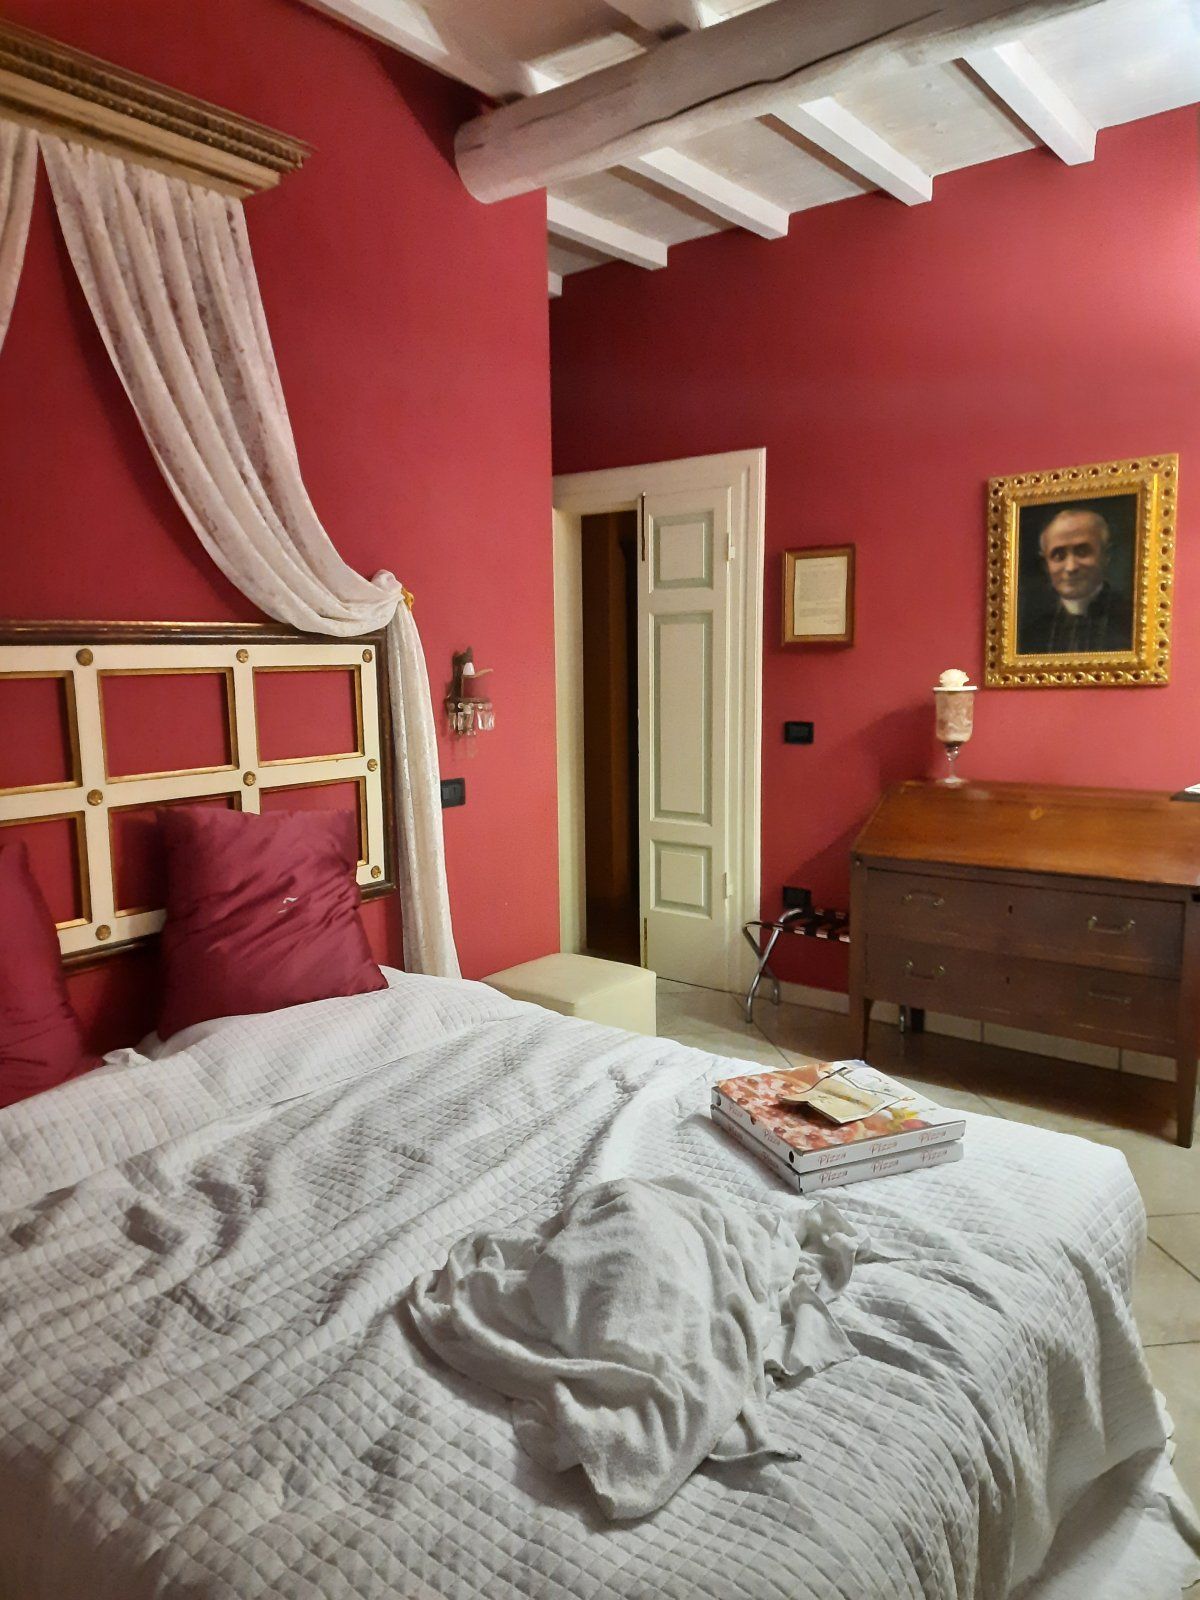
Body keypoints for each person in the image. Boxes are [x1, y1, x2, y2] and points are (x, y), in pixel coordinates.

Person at [1017, 507, 1133, 655]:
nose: (1071, 567)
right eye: (1058, 556)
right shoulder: (1031, 634)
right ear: (1046, 564)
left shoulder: (1132, 621)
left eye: (1082, 552)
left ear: (1106, 555)